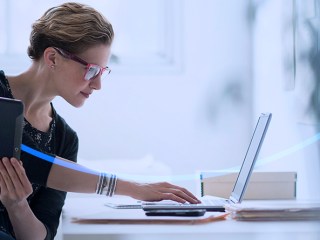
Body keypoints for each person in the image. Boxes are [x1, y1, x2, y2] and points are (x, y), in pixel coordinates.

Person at [0, 2, 200, 240]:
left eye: (102, 72)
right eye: (92, 70)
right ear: (53, 57)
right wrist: (133, 188)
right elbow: (31, 161)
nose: (98, 85)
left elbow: (42, 236)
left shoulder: (65, 139)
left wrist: (18, 206)